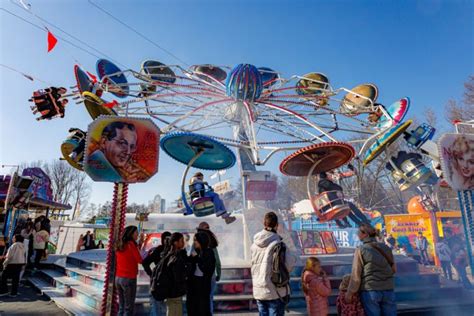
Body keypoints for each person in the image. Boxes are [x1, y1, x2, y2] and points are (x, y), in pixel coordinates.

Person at [250, 211, 297, 316]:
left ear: (264, 223)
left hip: (258, 290)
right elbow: (289, 264)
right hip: (274, 290)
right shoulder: (279, 244)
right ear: (277, 225)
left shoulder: (254, 244)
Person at [346, 224, 396, 316]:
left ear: (366, 235)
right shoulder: (386, 248)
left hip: (371, 290)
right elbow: (393, 269)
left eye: (359, 232)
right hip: (388, 289)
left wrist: (350, 292)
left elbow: (356, 274)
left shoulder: (361, 249)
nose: (357, 234)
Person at [115, 226, 143, 316]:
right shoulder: (131, 245)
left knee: (122, 307)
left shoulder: (121, 244)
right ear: (131, 234)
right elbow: (139, 260)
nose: (137, 235)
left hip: (118, 278)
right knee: (128, 308)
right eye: (136, 233)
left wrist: (139, 244)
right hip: (129, 278)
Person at [186, 231, 216, 316]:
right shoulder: (196, 251)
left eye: (196, 240)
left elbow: (207, 269)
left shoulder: (209, 252)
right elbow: (189, 262)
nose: (194, 242)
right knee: (193, 307)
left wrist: (197, 258)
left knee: (202, 308)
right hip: (193, 283)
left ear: (201, 241)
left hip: (203, 284)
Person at [143, 231, 171, 316]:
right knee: (160, 306)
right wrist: (151, 274)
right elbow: (145, 262)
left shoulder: (160, 250)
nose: (167, 241)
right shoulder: (160, 250)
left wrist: (151, 275)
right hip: (163, 282)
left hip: (161, 282)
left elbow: (145, 262)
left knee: (158, 306)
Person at [196, 222, 221, 314]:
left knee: (201, 298)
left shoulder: (197, 241)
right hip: (211, 274)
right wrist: (218, 274)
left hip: (199, 275)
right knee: (209, 297)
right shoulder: (212, 243)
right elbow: (217, 261)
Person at [162, 232, 188, 316]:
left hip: (171, 289)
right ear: (175, 242)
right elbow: (178, 275)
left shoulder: (168, 253)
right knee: (175, 310)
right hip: (175, 290)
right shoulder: (176, 256)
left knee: (173, 310)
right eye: (181, 241)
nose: (183, 242)